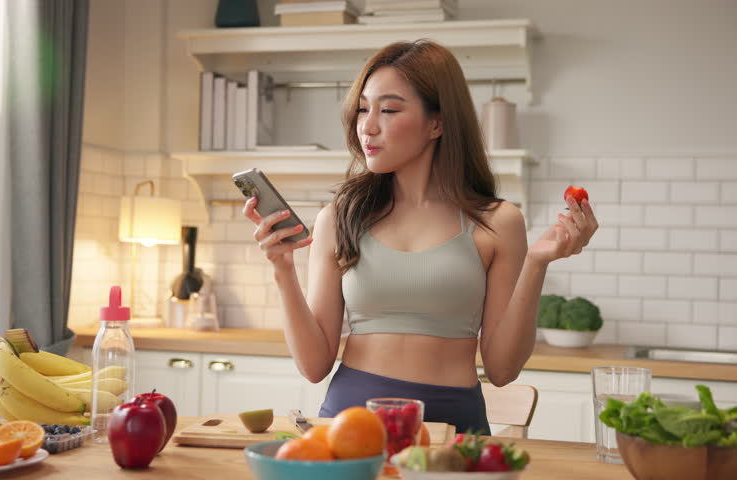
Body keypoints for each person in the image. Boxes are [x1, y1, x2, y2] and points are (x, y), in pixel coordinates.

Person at [242, 40, 598, 434]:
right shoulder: (341, 218)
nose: (368, 126)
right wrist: (282, 269)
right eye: (363, 109)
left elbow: (502, 369)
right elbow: (313, 366)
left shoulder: (497, 222)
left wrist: (537, 262)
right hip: (349, 421)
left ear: (437, 123)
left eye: (389, 110)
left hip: (456, 424)